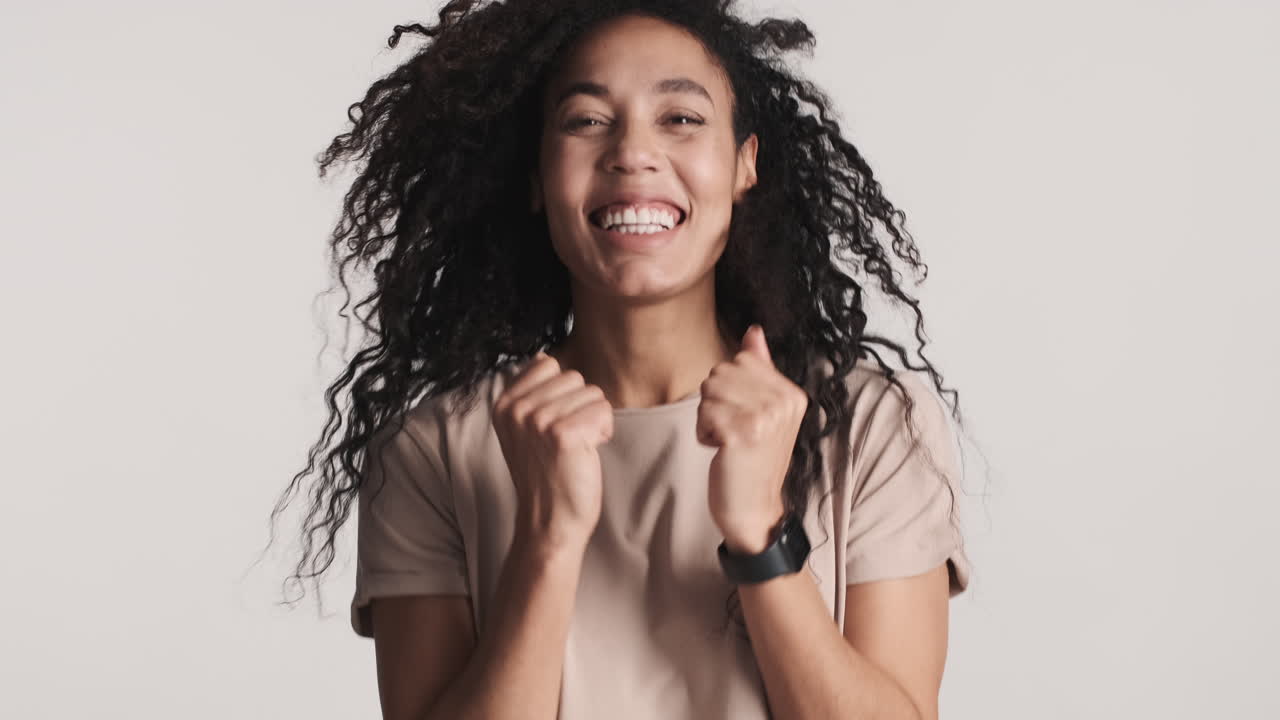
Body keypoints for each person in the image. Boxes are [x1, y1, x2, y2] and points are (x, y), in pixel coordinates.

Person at [269, 1, 974, 718]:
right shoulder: (432, 453)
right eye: (586, 121)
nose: (632, 152)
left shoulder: (871, 424)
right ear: (537, 180)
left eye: (681, 118)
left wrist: (761, 531)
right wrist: (546, 537)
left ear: (744, 163)